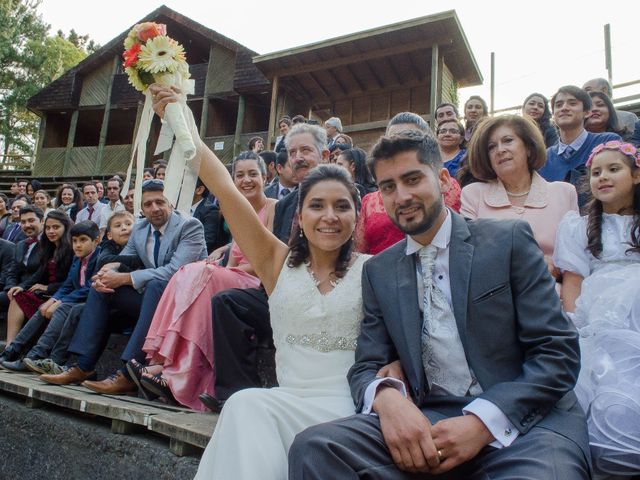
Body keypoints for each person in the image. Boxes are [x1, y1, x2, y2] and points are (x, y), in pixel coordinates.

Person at [289, 130, 590, 479]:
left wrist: (483, 422)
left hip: (527, 425)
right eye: (388, 187)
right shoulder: (379, 270)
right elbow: (366, 365)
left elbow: (557, 352)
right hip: (430, 422)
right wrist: (387, 398)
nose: (401, 196)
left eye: (412, 179)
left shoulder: (506, 240)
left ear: (444, 179)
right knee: (316, 449)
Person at [151, 79, 371, 475]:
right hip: (285, 401)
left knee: (246, 405)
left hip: (348, 406)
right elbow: (223, 186)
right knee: (245, 403)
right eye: (317, 206)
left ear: (356, 217)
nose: (330, 216)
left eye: (342, 206)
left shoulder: (373, 270)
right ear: (299, 217)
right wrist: (179, 119)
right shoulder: (276, 263)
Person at [135, 152, 276, 409]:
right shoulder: (237, 213)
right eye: (240, 175)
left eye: (253, 174)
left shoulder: (274, 207)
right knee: (186, 272)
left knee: (203, 273)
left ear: (265, 177)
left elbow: (267, 261)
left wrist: (222, 269)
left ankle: (174, 372)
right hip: (236, 277)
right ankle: (161, 361)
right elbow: (233, 262)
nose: (246, 180)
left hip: (258, 281)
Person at [39, 180, 207, 391]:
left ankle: (129, 372)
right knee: (101, 288)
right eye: (148, 204)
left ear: (170, 203)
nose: (154, 209)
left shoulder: (189, 225)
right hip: (152, 300)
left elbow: (176, 271)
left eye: (160, 202)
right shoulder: (140, 228)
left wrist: (126, 278)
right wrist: (108, 271)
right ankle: (83, 366)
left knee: (156, 285)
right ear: (141, 208)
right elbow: (126, 258)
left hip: (184, 304)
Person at [552, 141, 640, 476]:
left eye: (614, 169)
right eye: (595, 172)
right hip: (598, 314)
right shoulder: (578, 226)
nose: (603, 177)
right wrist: (577, 328)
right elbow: (573, 282)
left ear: (636, 175)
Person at [461, 115, 578, 278]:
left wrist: (553, 265)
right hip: (496, 295)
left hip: (553, 295)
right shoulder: (473, 194)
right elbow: (470, 256)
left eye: (508, 140)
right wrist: (534, 263)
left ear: (529, 148)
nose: (500, 150)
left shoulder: (564, 193)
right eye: (491, 147)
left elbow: (575, 260)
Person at [0, 221, 102, 373]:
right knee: (44, 307)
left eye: (83, 240)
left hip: (92, 301)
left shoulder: (100, 257)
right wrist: (53, 300)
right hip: (74, 299)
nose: (78, 245)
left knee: (61, 309)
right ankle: (12, 351)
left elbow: (89, 288)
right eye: (74, 241)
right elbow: (68, 285)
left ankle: (36, 356)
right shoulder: (77, 258)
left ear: (96, 240)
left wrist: (60, 301)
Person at [539, 85, 621, 209]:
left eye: (572, 103)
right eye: (559, 105)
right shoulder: (544, 158)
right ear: (553, 114)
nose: (564, 108)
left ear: (587, 112)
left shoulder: (607, 142)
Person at [5, 210, 73, 344]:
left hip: (62, 294)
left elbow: (73, 282)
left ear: (65, 228)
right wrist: (21, 286)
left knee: (23, 298)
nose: (51, 231)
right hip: (48, 293)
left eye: (56, 227)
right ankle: (9, 346)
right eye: (48, 228)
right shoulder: (50, 248)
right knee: (17, 294)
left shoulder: (72, 249)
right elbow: (39, 273)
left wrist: (48, 287)